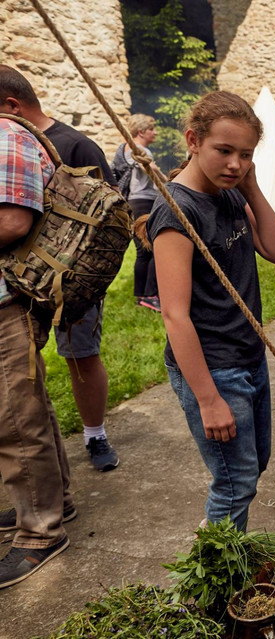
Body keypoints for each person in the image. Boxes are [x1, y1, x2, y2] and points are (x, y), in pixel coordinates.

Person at [146, 91, 275, 532]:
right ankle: (215, 581)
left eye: (245, 155)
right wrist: (208, 400)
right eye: (223, 151)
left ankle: (233, 559)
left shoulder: (229, 193)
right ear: (192, 139)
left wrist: (250, 186)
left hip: (247, 357)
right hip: (214, 368)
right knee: (234, 482)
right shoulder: (177, 211)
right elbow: (174, 316)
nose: (235, 163)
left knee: (252, 467)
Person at [0, 64, 119, 473]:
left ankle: (95, 434)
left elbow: (109, 218)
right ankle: (45, 462)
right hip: (20, 281)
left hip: (71, 278)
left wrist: (88, 282)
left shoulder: (76, 146)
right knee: (24, 373)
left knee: (80, 354)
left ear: (12, 105)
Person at [0, 109, 73, 589]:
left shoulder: (4, 135)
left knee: (13, 419)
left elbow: (11, 221)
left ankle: (40, 531)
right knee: (24, 408)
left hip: (7, 301)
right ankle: (55, 498)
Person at [114, 113, 164, 312]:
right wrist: (157, 171)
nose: (155, 132)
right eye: (151, 129)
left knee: (142, 253)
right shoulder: (141, 151)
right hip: (145, 202)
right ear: (141, 131)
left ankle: (141, 296)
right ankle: (152, 295)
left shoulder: (123, 149)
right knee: (153, 249)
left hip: (133, 202)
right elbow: (148, 171)